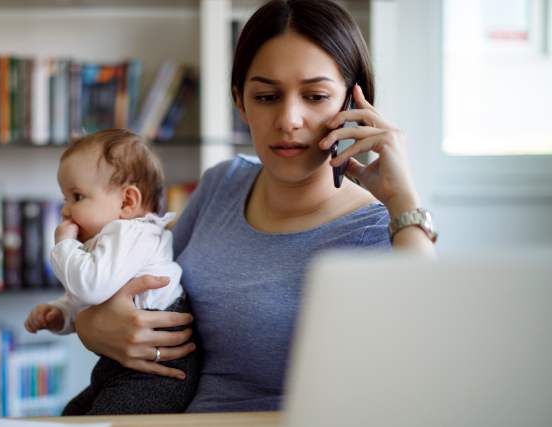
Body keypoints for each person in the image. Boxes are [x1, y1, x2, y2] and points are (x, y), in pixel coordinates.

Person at [72, 0, 437, 414]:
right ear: (240, 102)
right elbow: (137, 279)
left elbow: (425, 360)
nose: (289, 119)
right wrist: (90, 324)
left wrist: (404, 202)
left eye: (315, 95)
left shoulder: (381, 229)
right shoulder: (222, 183)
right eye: (266, 96)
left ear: (356, 105)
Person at [23, 129, 198, 415]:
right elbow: (91, 299)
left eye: (77, 196)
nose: (66, 210)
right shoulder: (111, 240)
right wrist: (61, 313)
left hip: (156, 375)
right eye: (65, 198)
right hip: (121, 366)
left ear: (127, 202)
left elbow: (91, 287)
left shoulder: (131, 233)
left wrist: (64, 245)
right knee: (72, 414)